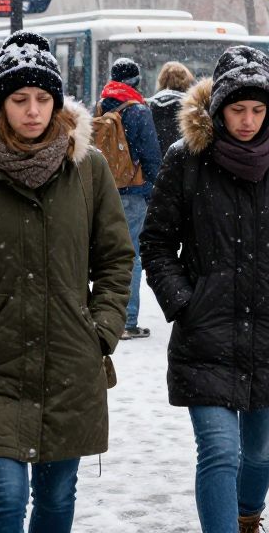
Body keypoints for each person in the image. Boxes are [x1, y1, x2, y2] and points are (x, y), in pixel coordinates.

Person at [140, 46, 269, 533]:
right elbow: (157, 241)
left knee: (260, 451)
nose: (247, 120)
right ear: (218, 108)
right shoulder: (187, 160)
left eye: (257, 110)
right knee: (220, 452)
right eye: (237, 109)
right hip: (206, 332)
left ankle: (247, 518)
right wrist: (184, 300)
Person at [0, 31, 133, 533]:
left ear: (57, 102)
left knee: (56, 498)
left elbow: (116, 256)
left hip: (69, 363)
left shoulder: (88, 168)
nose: (32, 110)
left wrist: (101, 328)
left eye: (42, 98)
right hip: (1, 363)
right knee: (5, 498)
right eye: (19, 99)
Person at [97, 57, 161, 340]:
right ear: (136, 81)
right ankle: (128, 319)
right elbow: (151, 155)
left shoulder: (99, 107)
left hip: (104, 189)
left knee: (105, 254)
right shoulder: (137, 110)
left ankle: (104, 314)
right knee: (131, 254)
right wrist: (153, 188)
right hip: (133, 192)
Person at [149, 61, 195, 157]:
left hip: (157, 159)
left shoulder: (151, 104)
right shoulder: (190, 105)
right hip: (183, 161)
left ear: (162, 79)